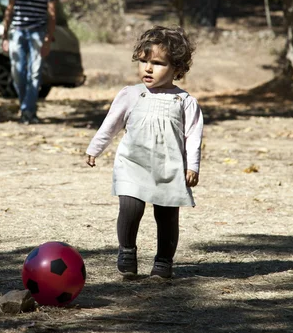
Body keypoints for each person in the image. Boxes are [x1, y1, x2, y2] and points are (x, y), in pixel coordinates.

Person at [85, 26, 204, 279]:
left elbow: (193, 136)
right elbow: (111, 124)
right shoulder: (131, 94)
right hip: (133, 164)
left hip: (169, 168)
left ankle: (163, 261)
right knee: (130, 207)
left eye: (158, 63)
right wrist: (95, 148)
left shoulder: (185, 102)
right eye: (143, 61)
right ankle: (127, 250)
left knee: (167, 216)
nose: (148, 68)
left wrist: (192, 166)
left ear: (177, 69)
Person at [2, 0, 59, 124]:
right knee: (18, 73)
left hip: (37, 33)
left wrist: (48, 39)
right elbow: (9, 10)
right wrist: (4, 36)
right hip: (17, 32)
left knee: (34, 73)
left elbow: (51, 15)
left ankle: (27, 112)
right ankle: (27, 110)